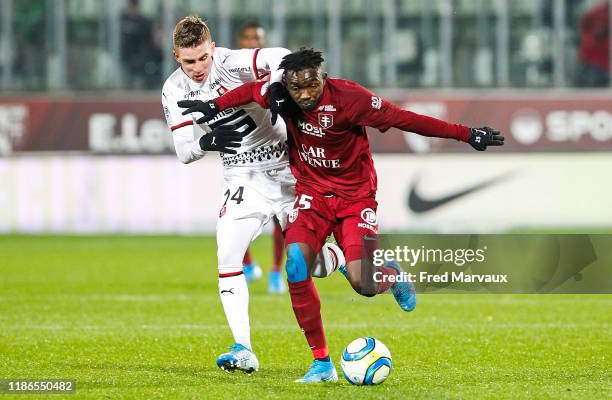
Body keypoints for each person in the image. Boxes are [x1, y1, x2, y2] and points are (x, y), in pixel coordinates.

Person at [177, 48, 505, 383]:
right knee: (297, 265)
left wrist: (467, 134)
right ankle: (322, 364)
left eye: (311, 86)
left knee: (363, 284)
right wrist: (214, 106)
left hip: (355, 199)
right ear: (287, 84)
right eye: (296, 88)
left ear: (322, 77)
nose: (304, 94)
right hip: (311, 196)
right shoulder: (282, 95)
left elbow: (406, 119)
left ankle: (390, 274)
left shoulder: (352, 99)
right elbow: (251, 90)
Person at [162, 19, 342, 375]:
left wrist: (276, 85)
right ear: (176, 57)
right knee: (227, 254)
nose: (197, 69)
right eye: (188, 62)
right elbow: (183, 151)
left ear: (212, 48)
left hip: (288, 171)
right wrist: (204, 143)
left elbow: (285, 57)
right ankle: (243, 349)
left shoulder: (233, 63)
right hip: (242, 179)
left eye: (202, 58)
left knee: (313, 266)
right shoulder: (173, 89)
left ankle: (351, 255)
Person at [235, 20, 286, 294]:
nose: (252, 41)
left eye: (257, 37)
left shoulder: (274, 72)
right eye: (247, 36)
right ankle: (247, 264)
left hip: (276, 150)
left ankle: (276, 271)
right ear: (239, 41)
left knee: (281, 215)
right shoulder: (230, 72)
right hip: (243, 152)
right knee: (236, 208)